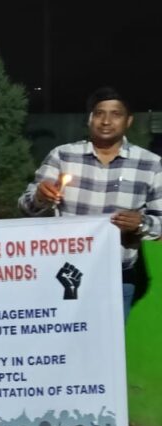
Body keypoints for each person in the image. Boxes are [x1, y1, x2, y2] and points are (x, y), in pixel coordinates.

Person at [19, 87, 162, 319]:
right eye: (99, 113)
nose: (106, 121)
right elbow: (26, 207)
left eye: (115, 114)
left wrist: (141, 223)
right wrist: (40, 198)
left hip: (118, 277)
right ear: (89, 119)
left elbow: (160, 223)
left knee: (111, 342)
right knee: (64, 339)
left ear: (129, 121)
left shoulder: (151, 164)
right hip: (64, 273)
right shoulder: (63, 156)